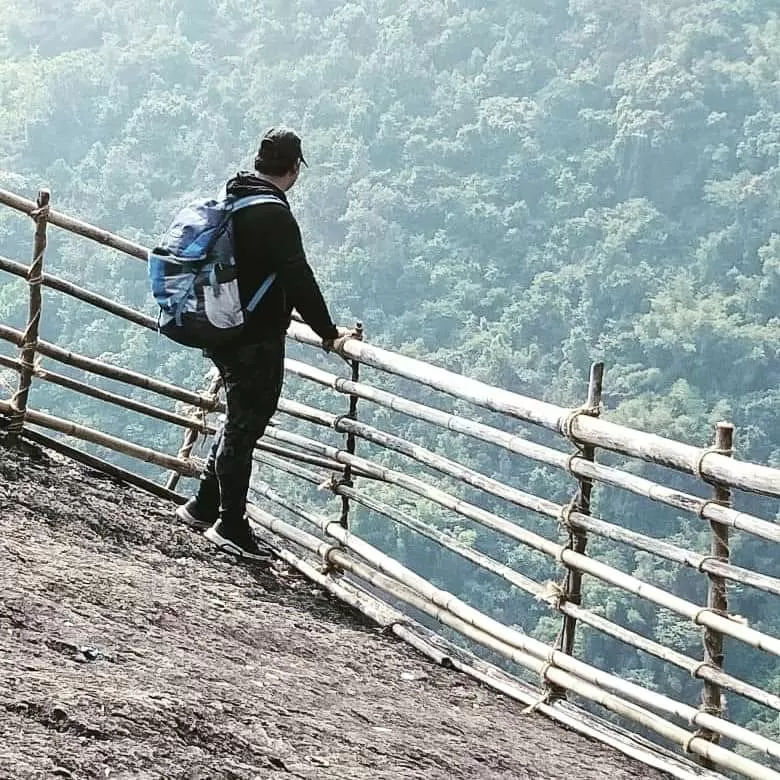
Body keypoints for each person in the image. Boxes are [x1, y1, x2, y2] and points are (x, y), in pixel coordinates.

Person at [176, 127, 355, 560]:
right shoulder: (273, 213)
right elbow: (299, 279)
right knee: (245, 426)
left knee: (238, 418)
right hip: (253, 336)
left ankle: (203, 505)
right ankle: (231, 524)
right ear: (294, 169)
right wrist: (329, 333)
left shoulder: (234, 193)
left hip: (221, 326)